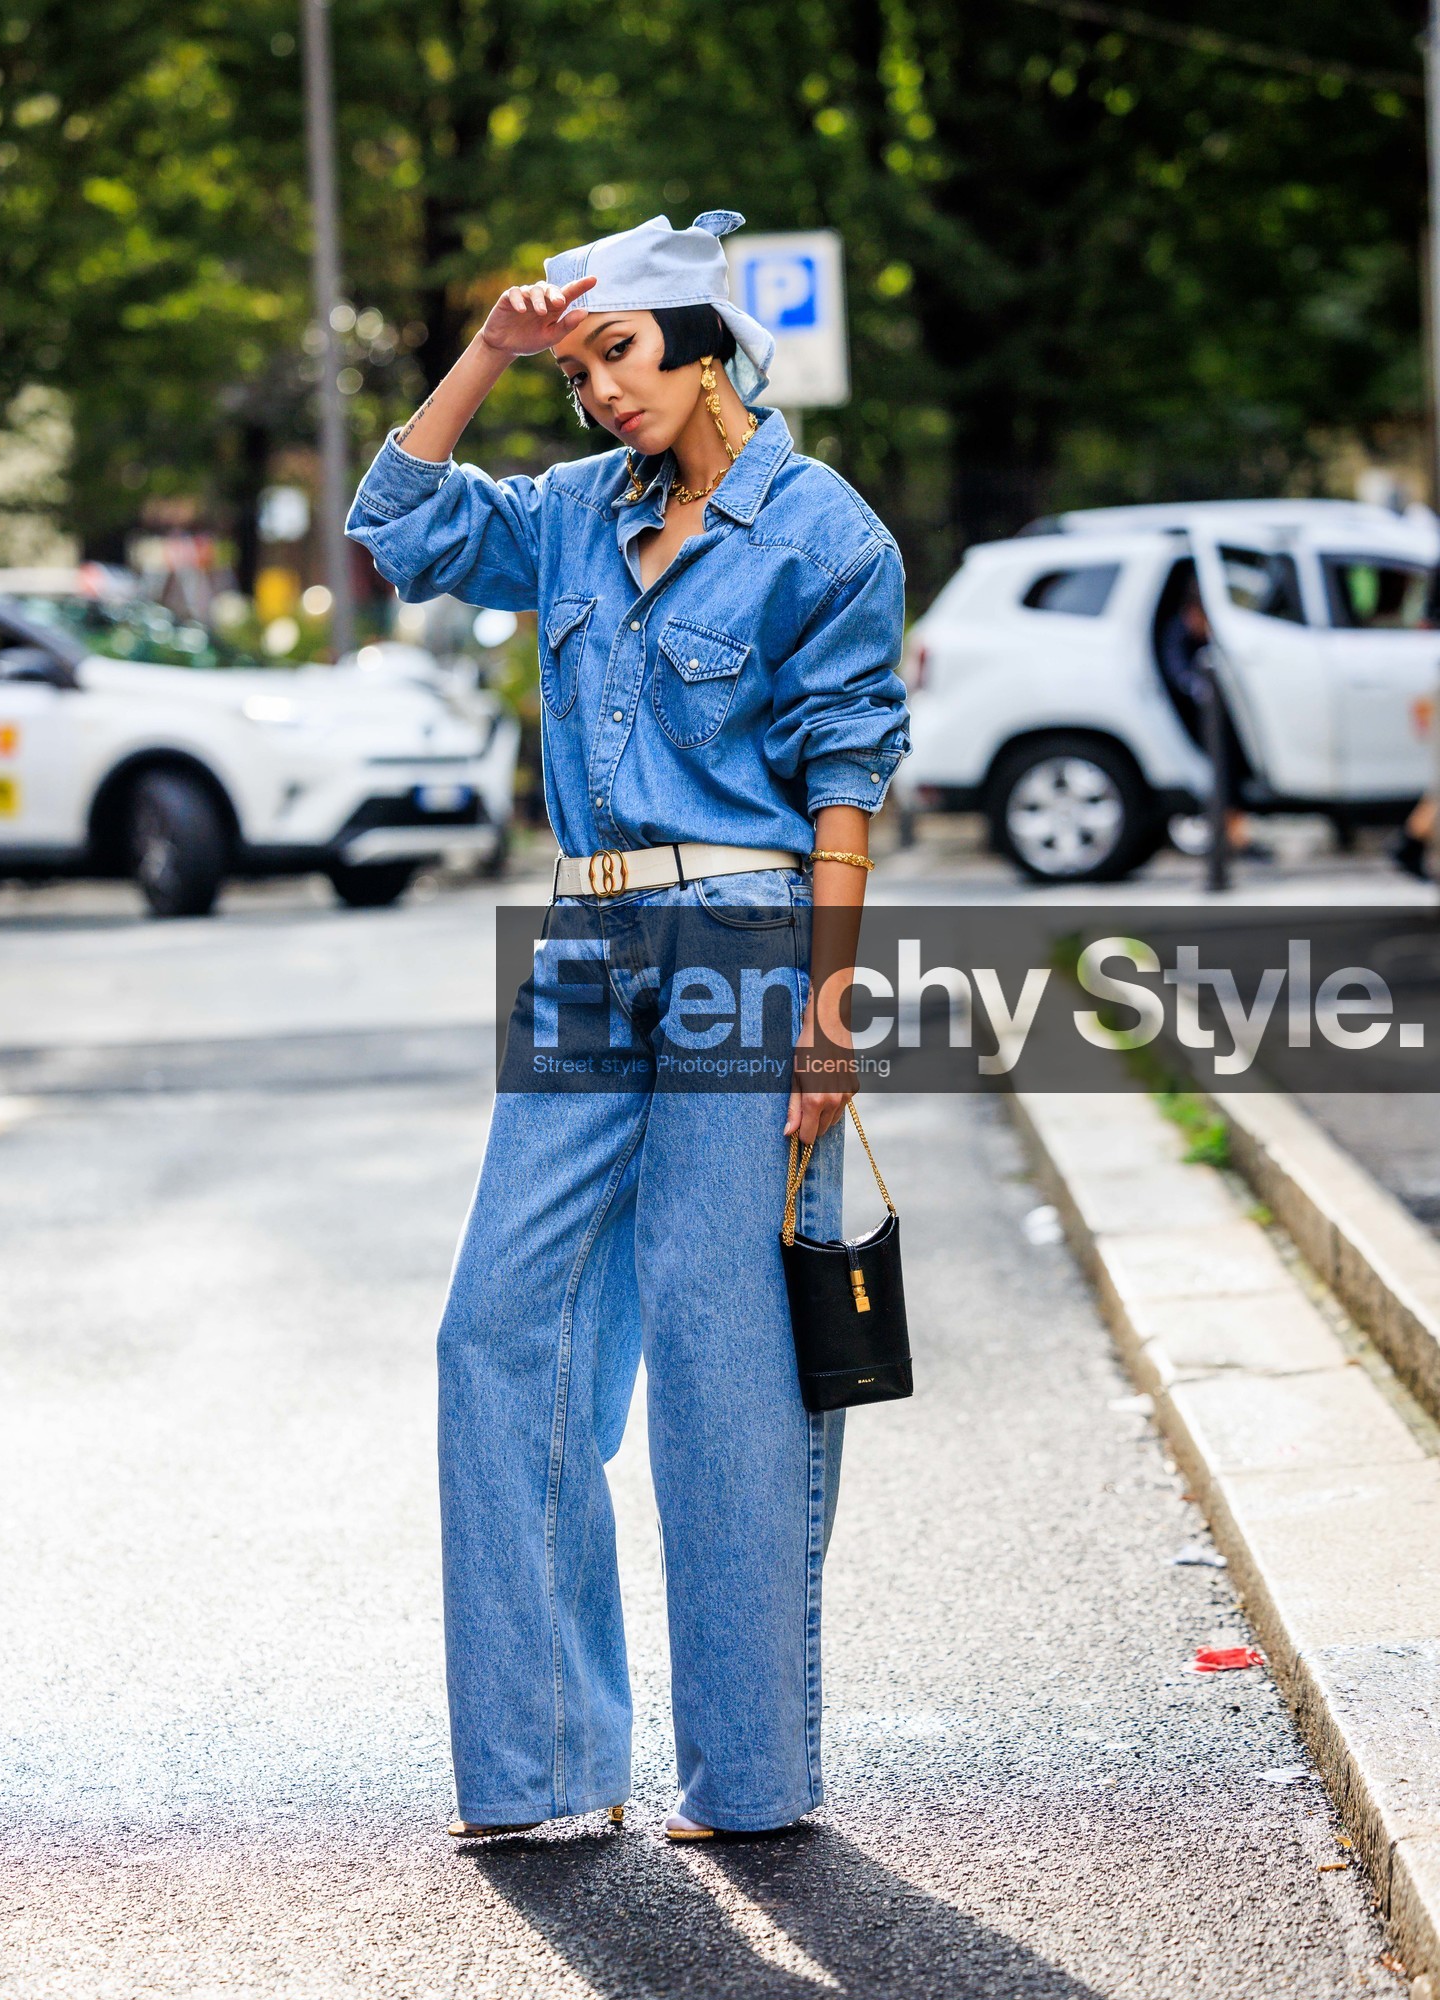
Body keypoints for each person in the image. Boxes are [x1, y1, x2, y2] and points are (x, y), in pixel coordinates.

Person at [345, 210, 908, 1843]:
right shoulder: (572, 518)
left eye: (619, 353)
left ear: (703, 343)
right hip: (587, 938)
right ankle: (537, 1769)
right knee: (496, 1324)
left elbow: (845, 782)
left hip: (744, 937)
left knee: (718, 1346)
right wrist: (488, 354)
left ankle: (750, 1776)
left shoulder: (826, 534)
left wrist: (830, 1004)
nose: (597, 392)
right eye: (577, 365)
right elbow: (395, 520)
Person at [1156, 572, 1268, 861]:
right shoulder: (1176, 636)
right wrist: (1203, 687)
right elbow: (1180, 675)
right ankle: (1232, 839)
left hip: (1213, 721)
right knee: (1223, 771)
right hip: (1193, 722)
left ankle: (1234, 835)